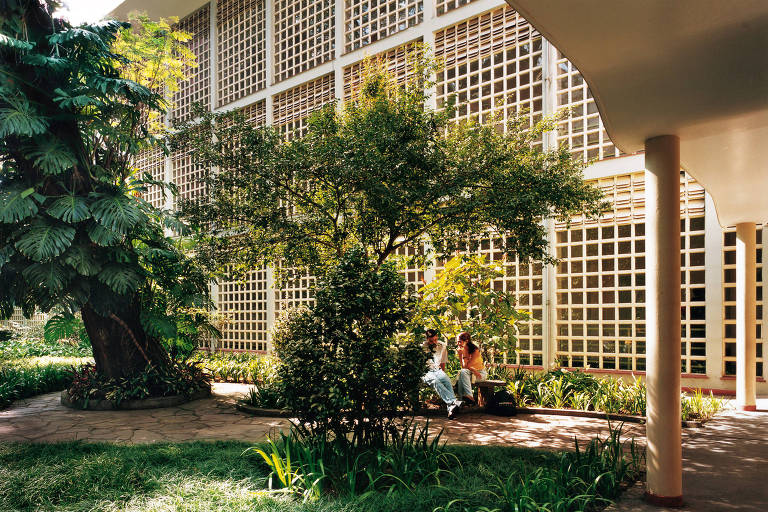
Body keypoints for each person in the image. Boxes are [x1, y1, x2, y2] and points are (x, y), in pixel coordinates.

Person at [422, 329, 463, 419]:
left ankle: (451, 409)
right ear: (427, 339)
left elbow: (443, 361)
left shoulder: (442, 345)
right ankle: (453, 402)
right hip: (426, 371)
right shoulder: (422, 347)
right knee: (435, 381)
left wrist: (443, 374)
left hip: (438, 370)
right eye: (431, 340)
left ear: (437, 337)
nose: (434, 342)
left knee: (446, 380)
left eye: (435, 339)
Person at [456, 331, 487, 404]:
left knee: (462, 374)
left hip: (480, 374)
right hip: (469, 374)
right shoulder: (463, 350)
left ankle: (463, 399)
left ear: (466, 341)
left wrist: (473, 369)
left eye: (459, 342)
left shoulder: (475, 350)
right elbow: (464, 367)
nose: (458, 344)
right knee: (462, 373)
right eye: (457, 342)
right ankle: (462, 401)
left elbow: (467, 366)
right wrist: (460, 355)